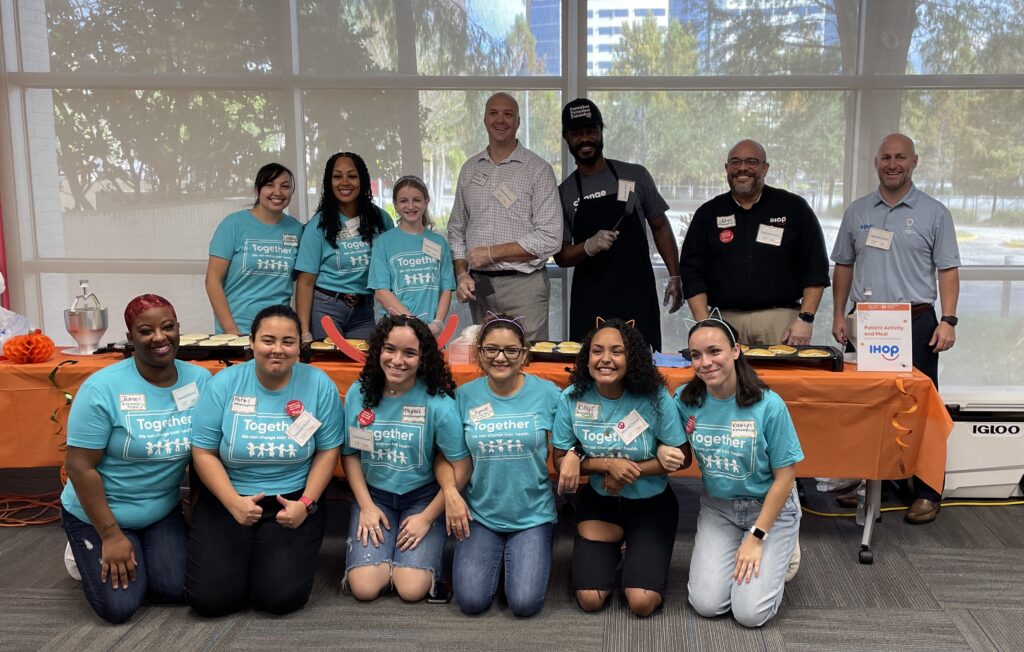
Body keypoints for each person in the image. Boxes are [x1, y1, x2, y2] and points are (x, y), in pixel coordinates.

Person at [830, 133, 960, 524]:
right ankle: (874, 482)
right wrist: (838, 314)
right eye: (885, 157)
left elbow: (948, 270)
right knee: (870, 405)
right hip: (867, 323)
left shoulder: (935, 213)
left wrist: (949, 320)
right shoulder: (857, 211)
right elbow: (844, 266)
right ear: (876, 163)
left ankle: (926, 491)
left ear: (914, 161)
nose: (892, 164)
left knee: (921, 407)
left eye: (900, 157)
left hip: (917, 321)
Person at [61, 294, 212, 624]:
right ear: (130, 338)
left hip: (160, 510)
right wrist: (111, 536)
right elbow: (79, 466)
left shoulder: (200, 381)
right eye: (146, 331)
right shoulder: (102, 388)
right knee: (120, 608)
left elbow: (204, 455)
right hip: (101, 512)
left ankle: (144, 547)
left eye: (168, 327)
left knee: (177, 589)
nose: (159, 338)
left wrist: (199, 515)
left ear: (178, 330)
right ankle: (82, 549)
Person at [186, 305, 342, 616]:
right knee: (208, 601)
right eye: (268, 340)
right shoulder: (225, 383)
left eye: (288, 342)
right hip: (229, 497)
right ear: (252, 343)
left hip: (293, 502)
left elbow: (328, 450)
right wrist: (232, 502)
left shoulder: (318, 383)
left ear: (300, 346)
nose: (278, 350)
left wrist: (307, 504)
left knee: (279, 599)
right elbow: (203, 451)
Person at [659, 317, 803, 628]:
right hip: (719, 508)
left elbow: (786, 477)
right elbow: (676, 452)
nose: (705, 362)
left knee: (750, 614)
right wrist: (662, 450)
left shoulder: (769, 405)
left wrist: (757, 537)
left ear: (736, 350)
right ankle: (749, 551)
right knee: (707, 604)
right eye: (696, 355)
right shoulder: (685, 400)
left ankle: (784, 546)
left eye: (714, 351)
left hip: (769, 508)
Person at [550, 318, 685, 617]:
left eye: (617, 352)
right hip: (601, 502)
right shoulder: (572, 398)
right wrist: (606, 465)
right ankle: (618, 552)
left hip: (651, 503)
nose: (605, 359)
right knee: (590, 599)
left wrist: (627, 473)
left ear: (632, 358)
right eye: (597, 351)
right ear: (587, 358)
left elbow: (682, 456)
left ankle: (634, 551)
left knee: (641, 603)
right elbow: (560, 459)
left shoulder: (654, 397)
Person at [437, 313, 561, 617]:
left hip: (532, 515)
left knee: (524, 604)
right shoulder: (464, 397)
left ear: (524, 354)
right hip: (481, 514)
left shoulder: (549, 394)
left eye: (510, 350)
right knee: (471, 603)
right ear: (479, 353)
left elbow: (574, 436)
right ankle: (503, 561)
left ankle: (517, 560)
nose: (500, 357)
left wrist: (573, 454)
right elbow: (443, 455)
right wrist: (451, 494)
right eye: (491, 349)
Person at [340, 315, 462, 602]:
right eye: (390, 349)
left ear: (423, 359)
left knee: (411, 589)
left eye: (409, 353)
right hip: (375, 496)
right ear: (378, 350)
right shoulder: (359, 395)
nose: (397, 360)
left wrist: (427, 517)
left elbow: (461, 466)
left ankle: (410, 554)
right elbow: (350, 455)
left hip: (422, 498)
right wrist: (366, 506)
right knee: (365, 588)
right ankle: (388, 553)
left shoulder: (438, 402)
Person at [554, 98, 683, 351]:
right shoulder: (564, 193)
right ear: (566, 137)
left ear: (601, 131)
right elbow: (561, 255)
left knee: (643, 365)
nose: (585, 139)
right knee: (591, 367)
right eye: (577, 133)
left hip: (637, 293)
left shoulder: (635, 175)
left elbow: (660, 226)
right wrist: (588, 246)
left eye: (591, 131)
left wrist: (675, 275)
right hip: (590, 299)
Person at [679, 140, 830, 346]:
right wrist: (704, 324)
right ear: (726, 168)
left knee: (782, 379)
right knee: (724, 379)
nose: (742, 168)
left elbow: (815, 267)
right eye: (735, 162)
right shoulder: (708, 214)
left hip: (781, 321)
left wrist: (806, 318)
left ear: (765, 168)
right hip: (723, 321)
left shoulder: (793, 208)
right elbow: (691, 271)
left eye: (751, 162)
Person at [447, 92, 563, 342]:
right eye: (494, 113)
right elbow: (456, 229)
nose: (500, 119)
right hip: (480, 288)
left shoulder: (538, 170)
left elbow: (551, 238)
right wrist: (461, 273)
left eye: (508, 114)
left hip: (525, 287)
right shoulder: (470, 169)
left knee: (528, 358)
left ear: (518, 122)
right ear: (485, 119)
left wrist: (491, 253)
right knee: (487, 358)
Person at [296, 152, 393, 342]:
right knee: (330, 366)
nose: (345, 182)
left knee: (364, 367)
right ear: (328, 182)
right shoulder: (318, 225)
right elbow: (305, 282)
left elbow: (392, 271)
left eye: (352, 176)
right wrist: (304, 332)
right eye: (337, 176)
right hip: (326, 309)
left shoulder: (381, 220)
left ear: (363, 180)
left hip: (364, 311)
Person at [206, 163, 302, 335]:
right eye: (269, 185)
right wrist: (231, 330)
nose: (278, 192)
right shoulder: (233, 224)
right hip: (238, 328)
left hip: (278, 328)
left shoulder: (297, 230)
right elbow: (212, 281)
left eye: (285, 186)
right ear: (257, 189)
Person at [368, 175, 456, 334]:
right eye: (403, 201)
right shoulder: (383, 243)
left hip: (431, 331)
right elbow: (381, 292)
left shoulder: (439, 242)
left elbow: (446, 288)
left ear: (426, 201)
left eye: (416, 200)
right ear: (395, 204)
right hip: (395, 329)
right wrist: (414, 324)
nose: (410, 206)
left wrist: (437, 323)